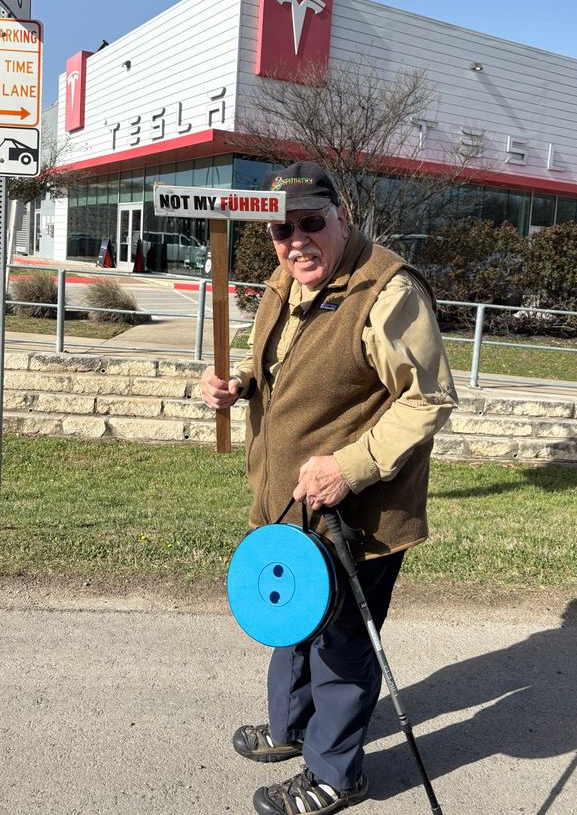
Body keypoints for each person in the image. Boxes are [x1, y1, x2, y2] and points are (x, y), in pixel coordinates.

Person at [200, 162, 457, 815]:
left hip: (357, 517)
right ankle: (290, 728)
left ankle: (337, 772)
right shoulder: (286, 280)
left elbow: (428, 400)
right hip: (288, 510)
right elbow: (287, 368)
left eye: (311, 222)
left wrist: (351, 467)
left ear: (342, 218)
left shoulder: (387, 290)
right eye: (281, 229)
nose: (296, 240)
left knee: (341, 642)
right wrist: (240, 386)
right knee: (292, 618)